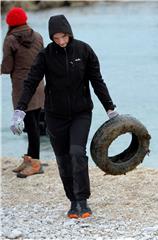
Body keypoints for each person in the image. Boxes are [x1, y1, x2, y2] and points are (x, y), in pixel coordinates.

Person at [10, 14, 119, 219]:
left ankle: (83, 200)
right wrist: (20, 110)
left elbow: (97, 81)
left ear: (69, 33)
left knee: (77, 153)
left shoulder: (84, 50)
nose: (60, 41)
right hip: (54, 115)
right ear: (52, 37)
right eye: (56, 38)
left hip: (81, 113)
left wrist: (110, 108)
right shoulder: (46, 55)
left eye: (64, 37)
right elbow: (31, 82)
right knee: (63, 159)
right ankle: (72, 201)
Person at [1, 7, 45, 178]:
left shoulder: (10, 40)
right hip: (39, 85)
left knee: (31, 126)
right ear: (25, 20)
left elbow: (7, 67)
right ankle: (30, 159)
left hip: (21, 88)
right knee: (33, 123)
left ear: (10, 24)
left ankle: (35, 163)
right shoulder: (38, 36)